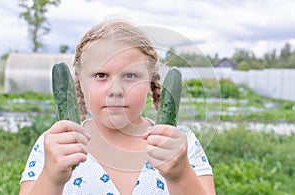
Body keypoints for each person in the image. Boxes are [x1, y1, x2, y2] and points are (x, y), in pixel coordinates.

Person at [19, 18, 215, 195]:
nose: (116, 90)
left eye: (130, 76)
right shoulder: (54, 144)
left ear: (150, 81)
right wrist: (51, 177)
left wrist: (180, 175)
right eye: (101, 75)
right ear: (79, 81)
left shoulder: (182, 144)